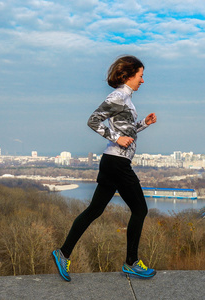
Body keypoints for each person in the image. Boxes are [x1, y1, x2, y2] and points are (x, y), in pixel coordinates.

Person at [52, 55, 157, 281]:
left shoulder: (126, 98)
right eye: (140, 76)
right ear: (129, 76)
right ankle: (131, 263)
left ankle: (63, 253)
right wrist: (116, 138)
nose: (143, 80)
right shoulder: (118, 96)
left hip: (113, 162)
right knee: (140, 210)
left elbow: (126, 132)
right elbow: (93, 120)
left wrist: (144, 124)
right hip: (117, 163)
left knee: (94, 210)